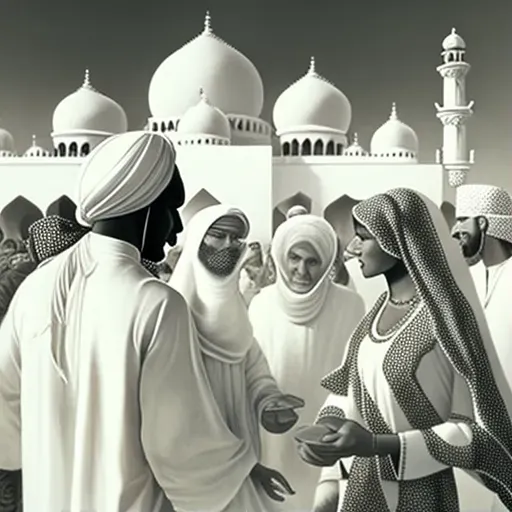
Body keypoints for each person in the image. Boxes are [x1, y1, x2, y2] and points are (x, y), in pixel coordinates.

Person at [0, 131, 262, 512]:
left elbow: (4, 414)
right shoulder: (155, 302)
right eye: (171, 210)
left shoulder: (37, 287)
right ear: (143, 206)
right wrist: (241, 470)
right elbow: (179, 449)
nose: (175, 231)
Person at [295, 188, 512, 512]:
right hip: (363, 487)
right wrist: (327, 428)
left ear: (397, 241)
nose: (353, 249)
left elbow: (470, 430)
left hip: (422, 494)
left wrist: (379, 445)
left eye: (363, 238)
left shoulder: (446, 319)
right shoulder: (377, 312)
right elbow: (350, 391)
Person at [169, 204, 301, 511]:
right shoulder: (172, 313)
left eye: (236, 238)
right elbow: (178, 413)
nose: (229, 245)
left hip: (241, 462)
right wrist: (248, 467)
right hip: (192, 472)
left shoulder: (234, 309)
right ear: (197, 240)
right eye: (218, 236)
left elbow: (252, 367)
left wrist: (270, 402)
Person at [248, 214, 365, 511]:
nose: (302, 270)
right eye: (295, 258)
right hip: (270, 435)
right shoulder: (261, 304)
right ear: (280, 258)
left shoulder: (350, 304)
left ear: (327, 263)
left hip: (329, 436)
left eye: (313, 261)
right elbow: (249, 373)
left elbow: (357, 378)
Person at [451, 184, 512, 512]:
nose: (455, 230)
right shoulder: (466, 279)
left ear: (484, 223)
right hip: (469, 431)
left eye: (463, 220)